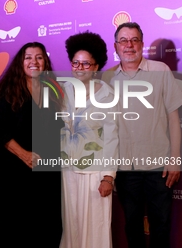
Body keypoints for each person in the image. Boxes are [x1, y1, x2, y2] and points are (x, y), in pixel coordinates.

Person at [102, 22, 182, 248]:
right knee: (132, 225)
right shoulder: (107, 78)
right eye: (124, 41)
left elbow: (173, 119)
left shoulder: (161, 71)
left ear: (142, 44)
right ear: (116, 46)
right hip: (125, 168)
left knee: (161, 224)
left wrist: (175, 159)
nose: (129, 45)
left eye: (134, 40)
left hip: (160, 166)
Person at [0, 42, 63, 248]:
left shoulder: (54, 90)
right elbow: (0, 130)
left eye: (39, 57)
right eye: (28, 57)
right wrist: (24, 155)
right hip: (14, 173)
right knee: (16, 228)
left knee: (47, 226)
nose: (34, 62)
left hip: (47, 173)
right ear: (20, 63)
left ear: (45, 61)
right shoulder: (7, 91)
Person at [60, 31, 118, 248]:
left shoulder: (106, 94)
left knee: (95, 229)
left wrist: (108, 177)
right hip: (68, 171)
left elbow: (112, 137)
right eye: (76, 63)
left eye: (86, 63)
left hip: (95, 173)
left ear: (96, 66)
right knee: (71, 225)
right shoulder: (65, 89)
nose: (80, 68)